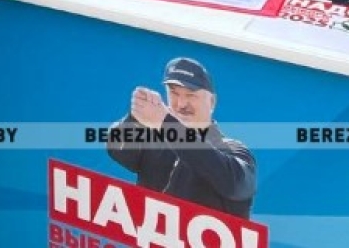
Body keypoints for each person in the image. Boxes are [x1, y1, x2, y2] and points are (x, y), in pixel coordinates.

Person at [107, 58, 256, 218]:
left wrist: (167, 125)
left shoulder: (232, 149)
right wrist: (135, 118)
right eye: (174, 93)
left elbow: (235, 184)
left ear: (212, 102)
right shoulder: (156, 141)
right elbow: (116, 149)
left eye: (191, 95)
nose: (181, 104)